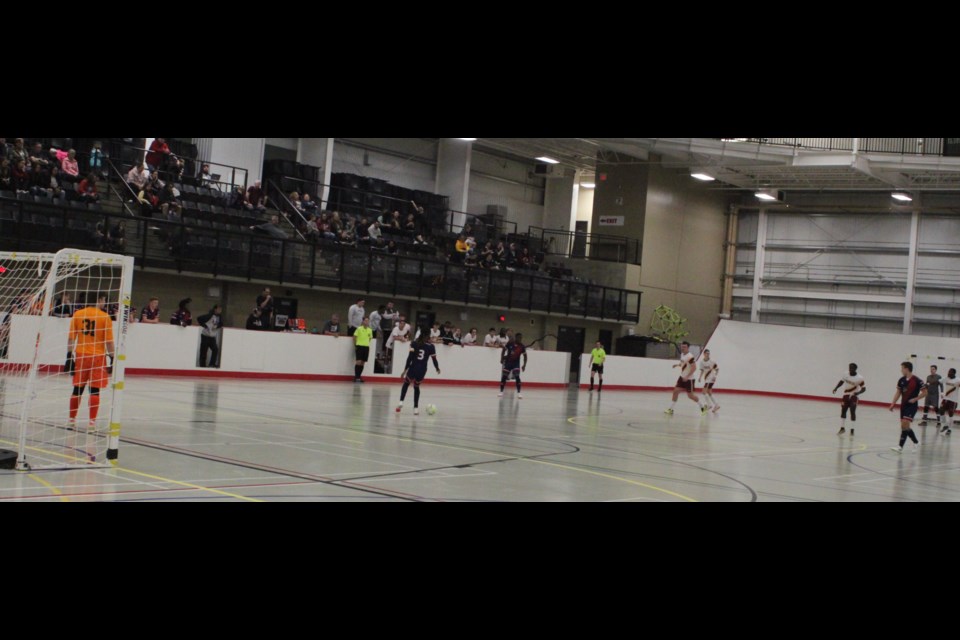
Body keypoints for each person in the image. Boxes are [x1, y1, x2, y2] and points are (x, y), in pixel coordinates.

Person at [67, 293, 115, 432]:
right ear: (99, 300)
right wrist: (112, 358)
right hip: (98, 357)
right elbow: (109, 342)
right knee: (94, 390)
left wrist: (69, 356)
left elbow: (71, 338)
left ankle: (71, 420)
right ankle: (91, 423)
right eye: (104, 300)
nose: (104, 303)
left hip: (81, 355)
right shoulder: (105, 317)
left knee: (78, 388)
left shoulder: (78, 314)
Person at [396, 330, 440, 415]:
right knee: (416, 387)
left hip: (413, 368)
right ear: (427, 336)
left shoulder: (414, 343)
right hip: (422, 370)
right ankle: (415, 408)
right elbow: (434, 359)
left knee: (406, 384)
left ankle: (401, 402)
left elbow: (410, 358)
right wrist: (437, 368)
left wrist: (404, 370)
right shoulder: (431, 346)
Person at [889, 361, 927, 453]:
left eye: (902, 368)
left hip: (912, 406)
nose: (901, 370)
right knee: (904, 426)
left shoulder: (917, 380)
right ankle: (916, 442)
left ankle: (900, 447)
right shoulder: (901, 380)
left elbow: (925, 392)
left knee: (905, 423)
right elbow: (898, 392)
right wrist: (893, 403)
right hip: (903, 405)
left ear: (906, 369)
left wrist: (915, 399)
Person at [665, 341, 707, 415]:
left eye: (684, 347)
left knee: (690, 396)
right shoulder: (682, 354)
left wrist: (687, 377)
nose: (682, 348)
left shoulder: (690, 356)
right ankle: (671, 409)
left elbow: (694, 368)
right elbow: (683, 363)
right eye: (682, 346)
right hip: (682, 377)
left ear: (688, 347)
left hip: (689, 379)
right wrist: (677, 365)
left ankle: (703, 407)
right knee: (675, 391)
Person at [831, 362, 865, 436]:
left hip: (853, 396)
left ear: (855, 369)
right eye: (849, 368)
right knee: (843, 410)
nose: (850, 369)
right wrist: (836, 388)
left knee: (852, 411)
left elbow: (864, 388)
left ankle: (852, 429)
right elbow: (841, 381)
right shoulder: (845, 374)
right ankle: (842, 428)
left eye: (852, 368)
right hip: (846, 395)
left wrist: (858, 393)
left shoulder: (859, 378)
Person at [499, 333, 528, 399]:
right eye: (519, 338)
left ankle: (519, 392)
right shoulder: (510, 343)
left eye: (521, 338)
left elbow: (525, 356)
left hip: (516, 364)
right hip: (508, 363)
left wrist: (524, 365)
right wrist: (501, 358)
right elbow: (504, 349)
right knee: (504, 377)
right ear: (516, 337)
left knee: (517, 377)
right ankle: (501, 391)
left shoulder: (522, 346)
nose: (520, 339)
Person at [698, 348, 721, 413]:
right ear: (704, 354)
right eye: (707, 353)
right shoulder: (702, 362)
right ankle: (716, 405)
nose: (708, 354)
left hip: (711, 378)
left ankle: (709, 405)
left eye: (709, 353)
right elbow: (702, 370)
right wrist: (700, 377)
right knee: (709, 392)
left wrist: (715, 376)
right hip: (706, 379)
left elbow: (717, 369)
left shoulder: (712, 361)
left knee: (703, 391)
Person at [353, 316, 373, 383]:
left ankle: (359, 377)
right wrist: (356, 345)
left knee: (363, 362)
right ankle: (356, 377)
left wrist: (366, 343)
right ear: (363, 321)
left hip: (366, 347)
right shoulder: (359, 328)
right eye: (365, 320)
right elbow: (355, 336)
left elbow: (370, 338)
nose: (367, 322)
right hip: (359, 346)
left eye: (368, 321)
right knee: (358, 361)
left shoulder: (370, 330)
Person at [939, 368, 958, 436]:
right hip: (946, 398)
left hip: (953, 400)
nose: (948, 373)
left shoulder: (957, 380)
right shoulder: (946, 378)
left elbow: (954, 388)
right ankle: (945, 425)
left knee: (950, 413)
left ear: (953, 373)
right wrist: (941, 392)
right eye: (948, 372)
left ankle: (950, 429)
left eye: (950, 372)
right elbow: (939, 382)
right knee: (941, 410)